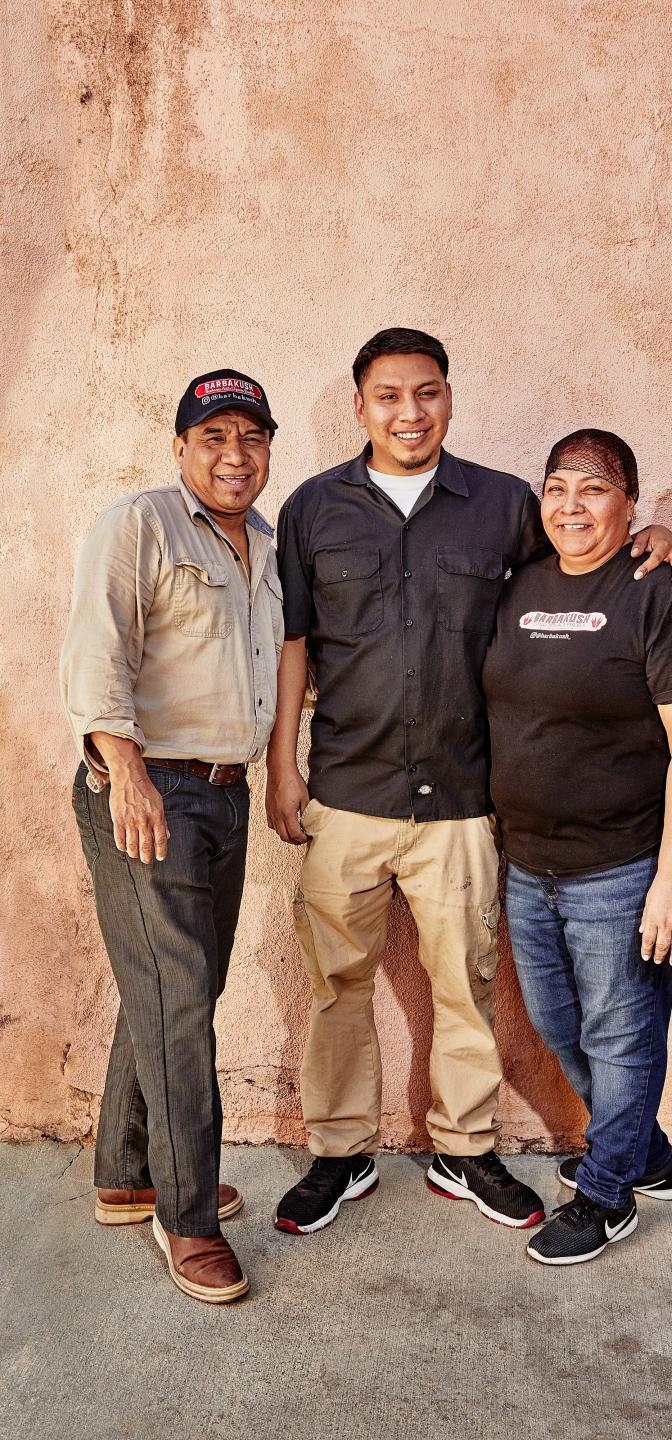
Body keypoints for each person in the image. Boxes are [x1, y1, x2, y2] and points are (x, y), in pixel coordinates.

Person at [266, 329, 672, 1236]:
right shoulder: (312, 509)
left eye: (426, 393)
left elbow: (593, 536)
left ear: (449, 398)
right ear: (360, 406)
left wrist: (658, 529)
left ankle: (465, 1149)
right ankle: (340, 1154)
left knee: (466, 984)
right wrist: (280, 764)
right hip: (344, 791)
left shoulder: (504, 504)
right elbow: (295, 645)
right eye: (388, 395)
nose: (408, 412)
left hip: (463, 800)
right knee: (336, 983)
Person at [61, 369, 285, 1304]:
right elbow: (96, 654)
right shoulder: (139, 524)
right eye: (215, 438)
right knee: (180, 999)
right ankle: (186, 1217)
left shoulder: (265, 545)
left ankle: (125, 1171)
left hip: (224, 797)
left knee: (167, 988)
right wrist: (130, 777)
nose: (235, 456)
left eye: (252, 437)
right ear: (183, 447)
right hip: (147, 789)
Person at [481, 429, 672, 1265]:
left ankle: (608, 1194)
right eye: (557, 488)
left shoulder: (662, 596)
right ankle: (645, 1152)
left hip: (620, 870)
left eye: (595, 489)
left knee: (622, 1040)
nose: (572, 506)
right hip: (529, 865)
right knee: (561, 1027)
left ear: (631, 504)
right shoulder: (521, 585)